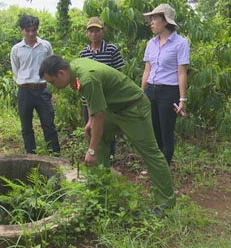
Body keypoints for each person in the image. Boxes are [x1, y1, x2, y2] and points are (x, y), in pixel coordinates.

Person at [39, 55, 176, 211]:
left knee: (150, 153)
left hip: (133, 108)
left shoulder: (87, 77)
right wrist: (90, 120)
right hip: (113, 108)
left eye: (52, 82)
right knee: (96, 136)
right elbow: (91, 98)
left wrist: (91, 151)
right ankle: (100, 190)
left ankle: (166, 202)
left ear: (61, 73)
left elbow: (100, 115)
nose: (53, 86)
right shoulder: (74, 69)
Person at [141, 4, 190, 165]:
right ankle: (156, 166)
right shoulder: (151, 44)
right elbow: (147, 70)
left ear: (165, 22)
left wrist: (182, 100)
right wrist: (142, 93)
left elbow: (182, 72)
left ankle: (164, 169)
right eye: (151, 19)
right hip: (151, 90)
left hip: (169, 92)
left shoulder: (180, 43)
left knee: (166, 132)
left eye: (155, 19)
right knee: (153, 132)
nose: (151, 23)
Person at [10, 15, 60, 154]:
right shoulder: (17, 49)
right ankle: (30, 154)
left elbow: (51, 65)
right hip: (25, 90)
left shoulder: (45, 46)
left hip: (42, 90)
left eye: (34, 30)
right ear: (22, 31)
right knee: (26, 125)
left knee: (48, 123)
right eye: (28, 30)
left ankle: (55, 154)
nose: (31, 33)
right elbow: (16, 70)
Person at [79, 16, 125, 157]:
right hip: (89, 99)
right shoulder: (84, 53)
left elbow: (119, 74)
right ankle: (94, 154)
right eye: (91, 31)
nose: (94, 34)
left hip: (107, 98)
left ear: (103, 31)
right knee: (91, 127)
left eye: (97, 31)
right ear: (87, 33)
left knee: (106, 127)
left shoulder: (111, 50)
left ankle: (109, 155)